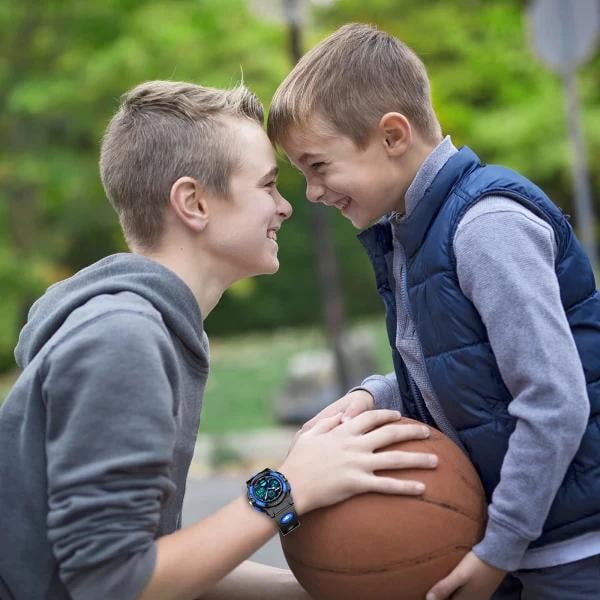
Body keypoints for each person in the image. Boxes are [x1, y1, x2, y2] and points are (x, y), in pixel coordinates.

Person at [0, 80, 440, 600]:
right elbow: (113, 582)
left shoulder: (152, 330)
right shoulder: (123, 339)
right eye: (268, 185)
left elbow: (164, 562)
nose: (286, 207)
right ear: (194, 202)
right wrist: (288, 486)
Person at [267, 23, 600, 600]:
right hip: (524, 545)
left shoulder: (484, 227)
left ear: (393, 135)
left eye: (317, 166)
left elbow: (553, 398)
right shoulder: (412, 234)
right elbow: (463, 372)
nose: (312, 193)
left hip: (574, 548)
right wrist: (375, 394)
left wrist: (500, 546)